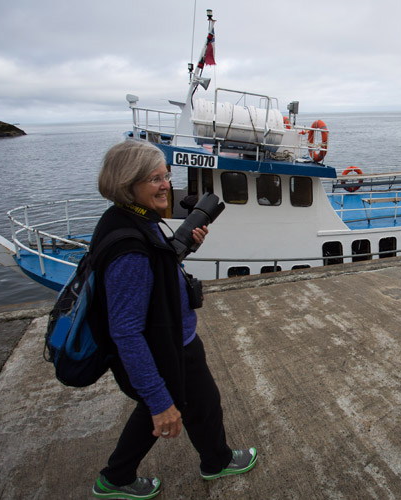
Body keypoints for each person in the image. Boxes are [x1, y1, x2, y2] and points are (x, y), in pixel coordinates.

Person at [88, 140, 257, 499]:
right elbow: (126, 331)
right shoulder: (129, 247)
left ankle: (214, 460)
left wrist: (187, 245)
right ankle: (117, 478)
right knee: (170, 408)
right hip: (165, 346)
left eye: (166, 175)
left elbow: (155, 270)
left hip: (173, 339)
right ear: (127, 183)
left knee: (203, 403)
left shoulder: (127, 218)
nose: (166, 185)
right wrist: (157, 400)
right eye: (154, 178)